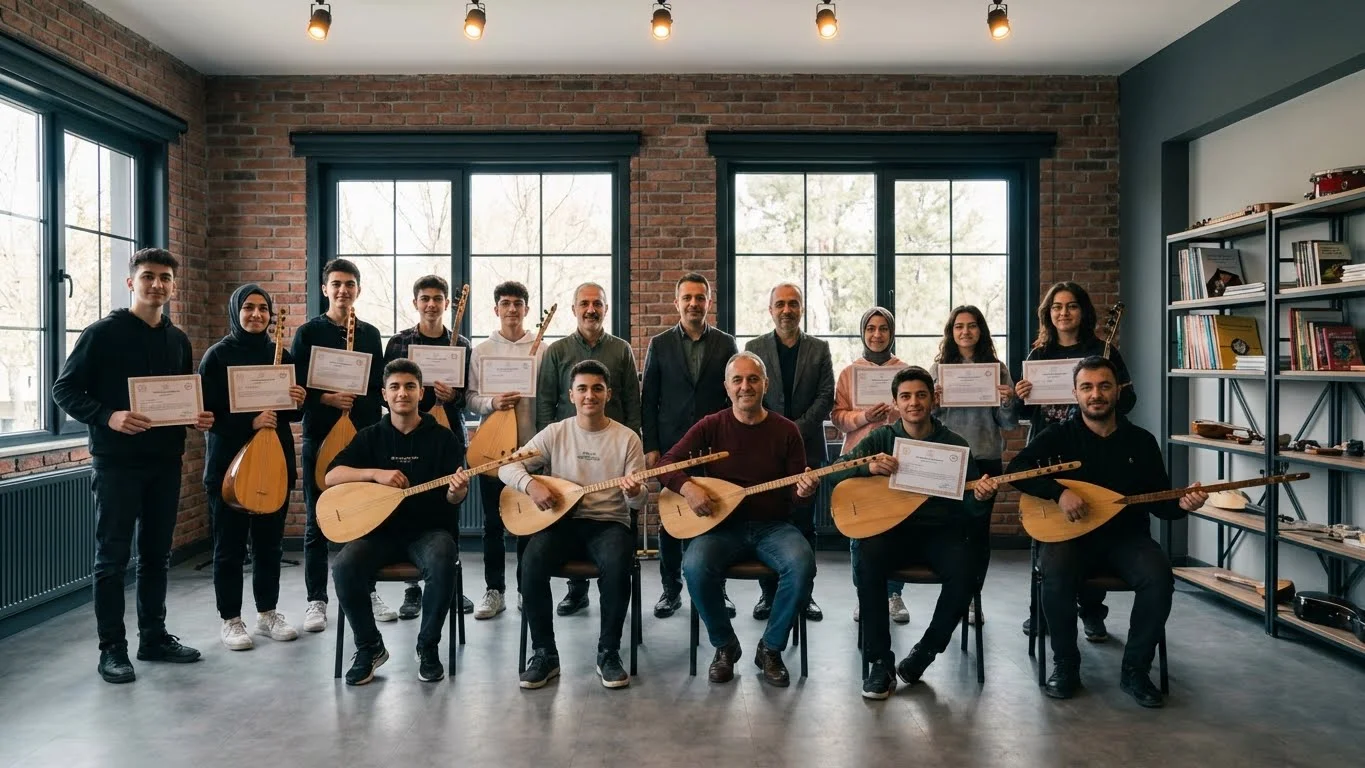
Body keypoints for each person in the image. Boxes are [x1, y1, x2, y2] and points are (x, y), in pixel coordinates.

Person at [53, 247, 214, 684]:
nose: (157, 284)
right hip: (116, 463)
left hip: (165, 461)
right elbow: (64, 390)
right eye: (148, 276)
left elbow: (179, 396)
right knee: (112, 558)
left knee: (157, 556)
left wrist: (195, 416)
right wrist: (109, 416)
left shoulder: (178, 339)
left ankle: (153, 638)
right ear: (131, 282)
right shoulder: (101, 334)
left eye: (165, 278)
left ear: (173, 286)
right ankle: (112, 649)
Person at [1007, 357, 1205, 708]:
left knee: (1158, 576)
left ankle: (1136, 670)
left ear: (1117, 391)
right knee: (1055, 574)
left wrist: (1184, 504)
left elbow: (1161, 502)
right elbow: (1017, 469)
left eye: (1104, 386)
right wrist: (1058, 492)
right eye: (1087, 387)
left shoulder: (1141, 441)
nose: (1095, 394)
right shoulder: (1058, 436)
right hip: (1070, 536)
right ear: (1075, 393)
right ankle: (1066, 665)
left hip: (1126, 538)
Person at [829, 366, 998, 699]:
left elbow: (970, 508)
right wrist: (868, 467)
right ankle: (880, 662)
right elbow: (835, 471)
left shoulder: (955, 444)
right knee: (868, 558)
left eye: (921, 395)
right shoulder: (881, 438)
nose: (914, 402)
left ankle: (925, 652)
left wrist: (980, 498)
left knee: (968, 568)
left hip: (941, 534)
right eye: (905, 396)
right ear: (895, 402)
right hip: (892, 531)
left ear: (933, 399)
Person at [657, 352, 819, 687]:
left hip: (773, 527)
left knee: (802, 564)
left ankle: (770, 648)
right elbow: (667, 464)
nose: (746, 386)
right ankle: (725, 645)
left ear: (765, 384)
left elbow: (796, 498)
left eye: (753, 379)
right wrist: (688, 488)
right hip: (721, 527)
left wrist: (804, 491)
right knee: (694, 566)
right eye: (738, 380)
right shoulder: (711, 425)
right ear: (727, 386)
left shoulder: (786, 430)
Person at [501, 360, 646, 690]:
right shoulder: (556, 432)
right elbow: (506, 468)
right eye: (582, 388)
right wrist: (531, 485)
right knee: (531, 562)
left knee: (617, 563)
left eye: (597, 388)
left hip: (609, 523)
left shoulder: (627, 439)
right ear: (571, 395)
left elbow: (639, 503)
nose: (589, 395)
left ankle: (608, 653)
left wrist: (635, 492)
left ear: (608, 394)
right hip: (561, 522)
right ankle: (545, 654)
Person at [326, 359, 470, 685]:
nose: (402, 393)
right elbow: (331, 475)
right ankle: (370, 647)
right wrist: (375, 474)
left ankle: (427, 646)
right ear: (384, 394)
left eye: (409, 386)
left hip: (429, 533)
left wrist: (457, 491)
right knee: (344, 566)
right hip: (379, 534)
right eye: (395, 387)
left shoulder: (444, 439)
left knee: (443, 558)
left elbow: (454, 500)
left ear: (421, 393)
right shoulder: (370, 437)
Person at [1014, 282, 1134, 640]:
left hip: (1091, 452)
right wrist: (1021, 396)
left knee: (1091, 526)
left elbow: (1129, 401)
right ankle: (1040, 612)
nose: (1063, 313)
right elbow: (1026, 413)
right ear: (1048, 314)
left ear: (1083, 311)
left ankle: (1092, 611)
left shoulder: (1103, 351)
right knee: (1044, 532)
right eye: (1056, 307)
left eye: (1071, 306)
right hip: (1047, 451)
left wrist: (1106, 397)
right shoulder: (1038, 355)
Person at [198, 284, 306, 651]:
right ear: (235, 311)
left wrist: (298, 401)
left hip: (273, 462)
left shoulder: (281, 355)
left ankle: (267, 613)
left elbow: (290, 415)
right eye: (248, 307)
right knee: (229, 547)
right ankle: (230, 619)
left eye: (263, 308)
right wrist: (249, 422)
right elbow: (206, 415)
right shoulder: (217, 356)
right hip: (228, 468)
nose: (256, 314)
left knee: (269, 545)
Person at [291, 258, 387, 634]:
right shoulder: (307, 333)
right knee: (317, 519)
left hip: (361, 440)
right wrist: (326, 399)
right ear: (325, 289)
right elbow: (296, 390)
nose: (343, 290)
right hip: (320, 437)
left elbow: (377, 387)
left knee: (366, 516)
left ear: (358, 290)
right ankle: (317, 599)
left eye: (349, 284)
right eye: (336, 284)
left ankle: (368, 590)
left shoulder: (370, 334)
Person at [536, 282, 641, 617]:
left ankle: (609, 589)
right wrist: (546, 454)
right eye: (584, 303)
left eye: (597, 303)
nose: (591, 309)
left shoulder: (621, 349)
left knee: (610, 530)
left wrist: (635, 442)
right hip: (567, 451)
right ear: (574, 309)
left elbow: (632, 400)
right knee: (569, 513)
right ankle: (576, 590)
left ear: (606, 309)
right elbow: (545, 402)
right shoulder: (557, 351)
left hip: (612, 450)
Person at [641, 272, 738, 619]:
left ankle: (718, 589)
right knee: (670, 520)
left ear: (709, 302)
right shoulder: (660, 344)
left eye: (700, 298)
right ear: (677, 302)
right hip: (673, 446)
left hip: (715, 445)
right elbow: (648, 399)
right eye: (687, 298)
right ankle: (671, 590)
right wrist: (651, 445)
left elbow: (733, 397)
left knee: (716, 516)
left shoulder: (726, 344)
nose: (694, 304)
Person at [383, 275, 475, 620]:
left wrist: (455, 396)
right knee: (409, 505)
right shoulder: (399, 342)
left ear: (447, 304)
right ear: (416, 303)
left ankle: (448, 584)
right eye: (425, 298)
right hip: (407, 437)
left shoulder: (461, 344)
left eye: (438, 298)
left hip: (448, 435)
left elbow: (468, 395)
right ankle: (413, 589)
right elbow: (386, 391)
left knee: (450, 507)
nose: (432, 304)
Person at [744, 283, 834, 623]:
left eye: (793, 303)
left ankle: (804, 596)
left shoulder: (819, 348)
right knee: (767, 520)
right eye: (780, 304)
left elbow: (826, 396)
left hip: (807, 449)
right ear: (770, 310)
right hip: (763, 450)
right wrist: (775, 431)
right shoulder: (754, 348)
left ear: (801, 309)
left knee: (805, 524)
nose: (786, 310)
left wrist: (793, 430)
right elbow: (751, 396)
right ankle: (768, 595)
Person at [929, 305, 1017, 626]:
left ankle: (972, 600)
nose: (965, 332)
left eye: (972, 325)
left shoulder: (997, 369)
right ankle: (954, 595)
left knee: (979, 533)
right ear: (951, 333)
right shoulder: (938, 370)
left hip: (985, 459)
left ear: (981, 330)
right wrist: (934, 404)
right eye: (959, 326)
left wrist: (1007, 401)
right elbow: (929, 421)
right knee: (951, 531)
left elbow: (1008, 423)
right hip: (949, 459)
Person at [466, 280, 547, 619]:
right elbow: (470, 399)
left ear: (526, 309)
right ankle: (494, 590)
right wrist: (492, 403)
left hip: (530, 450)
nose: (512, 309)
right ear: (496, 309)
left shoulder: (543, 350)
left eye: (518, 303)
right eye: (505, 303)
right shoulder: (482, 350)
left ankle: (526, 589)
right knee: (492, 524)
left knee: (528, 523)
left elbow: (550, 399)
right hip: (492, 449)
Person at [830, 307, 909, 625]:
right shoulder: (849, 373)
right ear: (862, 333)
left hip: (897, 459)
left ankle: (893, 594)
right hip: (858, 460)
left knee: (897, 528)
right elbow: (838, 417)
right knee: (859, 531)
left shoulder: (905, 370)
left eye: (883, 328)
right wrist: (865, 417)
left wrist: (894, 414)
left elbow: (915, 413)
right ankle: (865, 594)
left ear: (892, 333)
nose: (877, 334)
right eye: (871, 328)